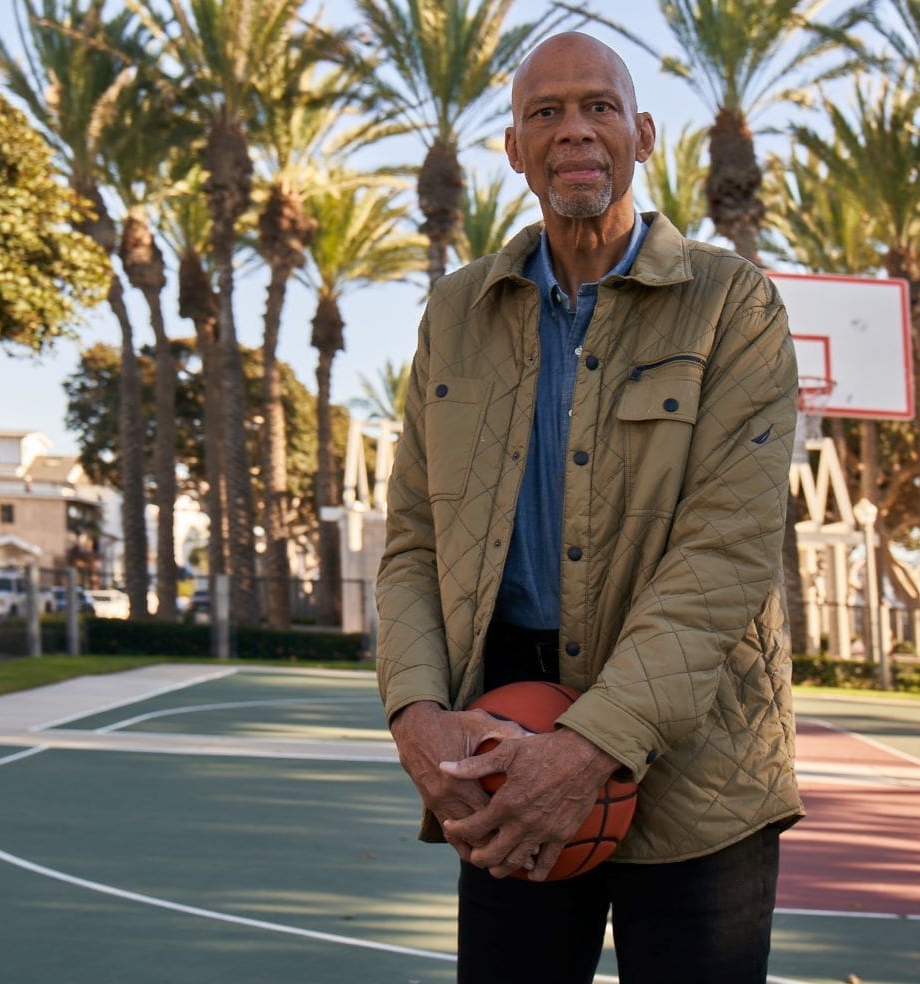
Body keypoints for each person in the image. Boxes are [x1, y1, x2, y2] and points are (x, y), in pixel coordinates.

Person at [376, 31, 803, 984]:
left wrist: (590, 745)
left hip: (697, 759)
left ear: (643, 134)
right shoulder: (455, 313)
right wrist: (412, 710)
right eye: (545, 112)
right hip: (503, 739)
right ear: (514, 150)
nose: (575, 131)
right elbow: (412, 540)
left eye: (598, 107)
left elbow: (727, 553)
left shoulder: (734, 304)